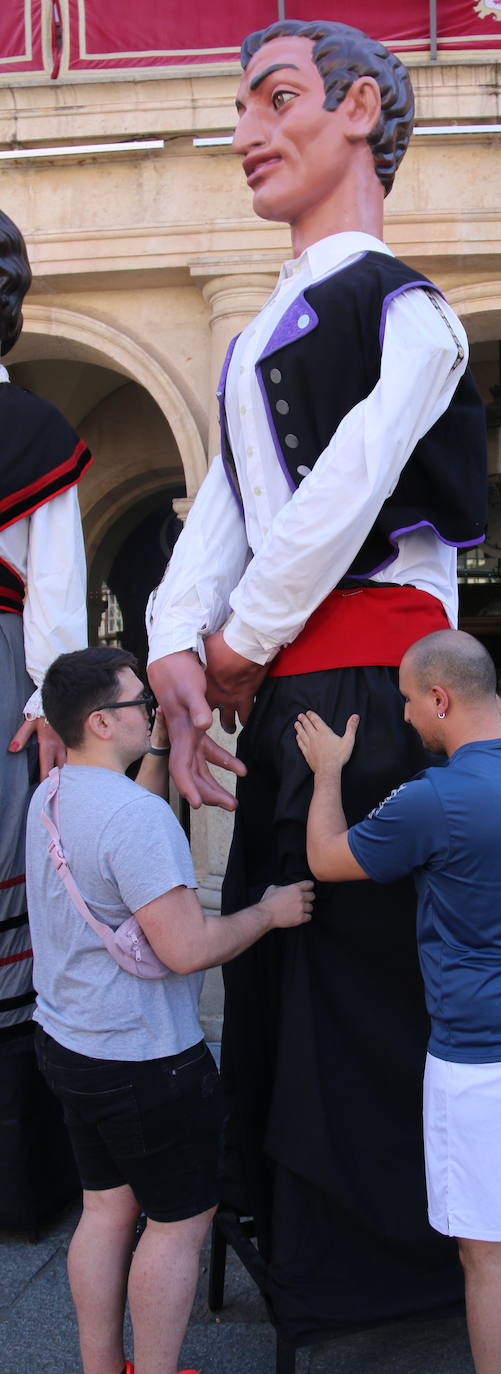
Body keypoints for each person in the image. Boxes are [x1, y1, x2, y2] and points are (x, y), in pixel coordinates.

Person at [145, 18, 488, 1338]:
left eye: (275, 99)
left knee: (370, 979)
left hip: (384, 699)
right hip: (292, 698)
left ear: (357, 110)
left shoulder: (411, 308)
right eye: (239, 107)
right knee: (278, 972)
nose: (246, 132)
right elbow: (224, 513)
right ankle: (287, 1233)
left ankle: (393, 1259)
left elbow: (347, 489)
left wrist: (236, 642)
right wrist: (179, 647)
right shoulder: (249, 338)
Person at [295, 629, 501, 1374]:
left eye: (412, 701)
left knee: (489, 1255)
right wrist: (479, 691)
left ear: (440, 698)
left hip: (489, 1066)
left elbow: (325, 857)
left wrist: (327, 772)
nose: (408, 717)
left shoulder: (433, 798)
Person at [26, 646, 312, 1374]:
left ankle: (102, 1367)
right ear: (100, 721)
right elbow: (187, 948)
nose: (153, 712)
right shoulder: (135, 821)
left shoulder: (53, 794)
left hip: (68, 1042)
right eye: (140, 705)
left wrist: (155, 747)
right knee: (179, 1224)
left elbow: (128, 833)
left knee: (105, 1210)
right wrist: (270, 913)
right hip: (145, 1058)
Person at [0, 208, 92, 1230]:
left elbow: (56, 612)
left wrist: (40, 703)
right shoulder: (34, 435)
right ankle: (20, 1182)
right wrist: (47, 708)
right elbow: (55, 604)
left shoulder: (33, 433)